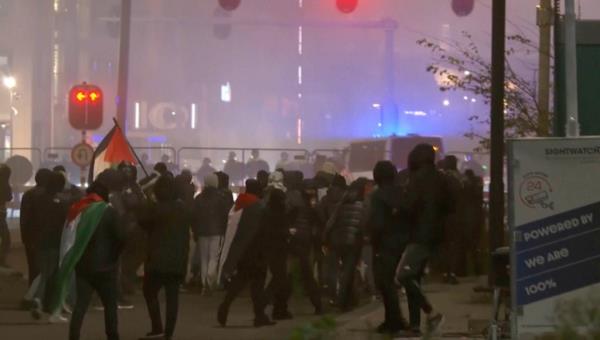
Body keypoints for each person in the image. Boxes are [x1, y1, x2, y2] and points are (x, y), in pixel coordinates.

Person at [395, 144, 447, 337]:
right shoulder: (441, 179)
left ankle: (431, 313)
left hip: (418, 235)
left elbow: (409, 206)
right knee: (414, 278)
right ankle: (415, 326)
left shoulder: (416, 180)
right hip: (435, 235)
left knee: (403, 276)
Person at [68, 178, 126, 340]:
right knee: (110, 305)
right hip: (106, 266)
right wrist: (115, 256)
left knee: (81, 305)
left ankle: (73, 336)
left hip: (83, 266)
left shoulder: (79, 211)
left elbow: (69, 237)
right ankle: (112, 335)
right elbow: (121, 238)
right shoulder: (109, 212)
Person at [139, 175, 191, 340]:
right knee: (172, 297)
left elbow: (143, 222)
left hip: (156, 260)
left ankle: (157, 327)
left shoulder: (155, 209)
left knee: (149, 291)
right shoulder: (183, 209)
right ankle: (168, 333)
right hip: (177, 259)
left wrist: (148, 199)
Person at [217, 179, 275, 328]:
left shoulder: (239, 205)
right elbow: (263, 231)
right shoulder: (258, 207)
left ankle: (226, 304)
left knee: (240, 281)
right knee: (258, 286)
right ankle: (259, 316)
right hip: (258, 251)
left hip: (243, 251)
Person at [368, 161, 409, 335]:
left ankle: (393, 320)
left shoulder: (377, 196)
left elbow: (377, 224)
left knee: (385, 283)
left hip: (385, 243)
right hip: (403, 242)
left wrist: (373, 240)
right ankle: (398, 319)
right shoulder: (403, 193)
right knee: (396, 282)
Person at [324, 178, 368, 312]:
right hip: (352, 241)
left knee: (336, 270)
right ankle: (343, 301)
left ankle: (342, 298)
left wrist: (325, 237)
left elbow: (330, 222)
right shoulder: (362, 206)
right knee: (348, 271)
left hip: (336, 240)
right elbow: (363, 225)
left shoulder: (341, 203)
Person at [283, 174, 323, 317]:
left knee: (292, 274)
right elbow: (320, 220)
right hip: (303, 241)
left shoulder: (295, 200)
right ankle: (317, 305)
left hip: (297, 240)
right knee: (306, 274)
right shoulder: (308, 203)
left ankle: (280, 304)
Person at [31, 172, 69, 322]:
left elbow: (32, 221)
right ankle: (44, 303)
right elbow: (64, 224)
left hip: (39, 241)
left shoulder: (37, 199)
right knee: (52, 274)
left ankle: (39, 300)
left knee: (43, 272)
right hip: (54, 243)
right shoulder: (61, 202)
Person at [262, 171, 293, 320]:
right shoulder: (278, 213)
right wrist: (288, 232)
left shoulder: (268, 210)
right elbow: (278, 231)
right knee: (281, 280)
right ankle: (268, 303)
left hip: (272, 249)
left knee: (279, 279)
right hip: (278, 249)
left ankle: (277, 308)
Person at [192, 173, 228, 294]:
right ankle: (210, 281)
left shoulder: (198, 198)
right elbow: (224, 216)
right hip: (217, 231)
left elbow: (194, 216)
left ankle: (204, 284)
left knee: (204, 258)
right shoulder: (221, 198)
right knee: (213, 258)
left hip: (202, 232)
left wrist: (195, 230)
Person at [20, 169, 52, 286]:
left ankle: (32, 294)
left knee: (33, 268)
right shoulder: (49, 195)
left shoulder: (28, 194)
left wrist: (25, 238)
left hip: (30, 238)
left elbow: (24, 219)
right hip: (45, 238)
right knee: (46, 268)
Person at [439, 155, 466, 283]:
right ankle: (453, 272)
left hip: (446, 215)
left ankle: (446, 272)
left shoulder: (443, 178)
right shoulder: (460, 178)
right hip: (458, 215)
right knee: (454, 245)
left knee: (445, 245)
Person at [0, 164, 12, 268]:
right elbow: (9, 197)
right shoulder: (4, 184)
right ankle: (2, 261)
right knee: (6, 239)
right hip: (1, 214)